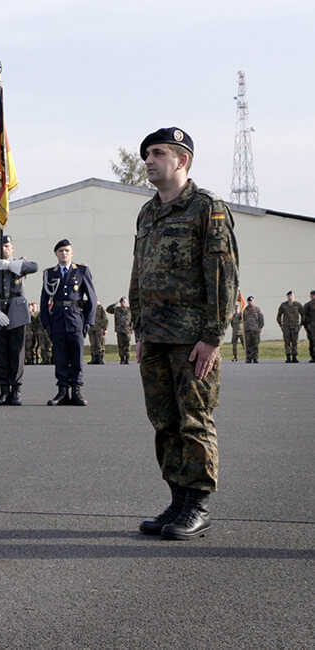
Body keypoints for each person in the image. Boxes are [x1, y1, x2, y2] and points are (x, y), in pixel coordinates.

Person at [131, 127, 238, 541]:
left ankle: (197, 505)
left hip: (193, 339)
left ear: (182, 160)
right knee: (164, 421)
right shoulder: (147, 213)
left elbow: (222, 275)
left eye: (158, 153)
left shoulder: (207, 208)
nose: (149, 160)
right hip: (155, 336)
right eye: (146, 155)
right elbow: (139, 273)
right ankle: (177, 499)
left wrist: (213, 336)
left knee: (195, 420)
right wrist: (140, 329)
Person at [0, 234, 39, 405]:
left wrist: (10, 265)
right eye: (0, 247)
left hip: (17, 312)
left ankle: (16, 390)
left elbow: (35, 267)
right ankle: (3, 390)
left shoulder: (20, 264)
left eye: (7, 246)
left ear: (12, 248)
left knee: (17, 353)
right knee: (1, 353)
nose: (4, 249)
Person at [40, 239, 96, 406]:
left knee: (77, 356)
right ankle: (62, 390)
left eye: (66, 250)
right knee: (60, 357)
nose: (64, 253)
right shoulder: (50, 273)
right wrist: (46, 324)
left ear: (72, 253)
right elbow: (44, 301)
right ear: (55, 254)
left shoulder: (82, 271)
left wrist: (88, 323)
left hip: (76, 319)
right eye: (60, 251)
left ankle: (76, 390)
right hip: (57, 320)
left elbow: (92, 299)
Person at [277, 291, 303, 363]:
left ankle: (294, 357)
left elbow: (303, 315)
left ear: (294, 296)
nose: (290, 297)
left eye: (291, 295)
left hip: (295, 327)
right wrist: (281, 325)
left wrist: (301, 324)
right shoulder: (283, 305)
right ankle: (288, 357)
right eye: (289, 296)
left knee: (294, 342)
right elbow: (279, 315)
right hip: (286, 327)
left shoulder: (298, 305)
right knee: (287, 342)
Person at [106, 298, 133, 364]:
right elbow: (108, 309)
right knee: (120, 344)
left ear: (126, 302)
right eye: (121, 302)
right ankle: (122, 358)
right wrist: (115, 303)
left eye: (124, 302)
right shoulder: (116, 309)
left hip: (127, 329)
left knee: (127, 344)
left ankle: (127, 358)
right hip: (119, 329)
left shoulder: (130, 310)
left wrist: (133, 328)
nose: (122, 303)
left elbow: (133, 319)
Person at [242, 296, 264, 363]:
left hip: (255, 330)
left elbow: (261, 319)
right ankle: (248, 358)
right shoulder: (245, 310)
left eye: (251, 301)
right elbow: (242, 319)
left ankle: (255, 358)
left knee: (255, 345)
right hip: (247, 330)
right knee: (248, 345)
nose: (250, 302)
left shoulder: (257, 309)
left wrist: (260, 327)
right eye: (249, 301)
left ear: (253, 301)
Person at [304, 290, 315, 362]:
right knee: (312, 341)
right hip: (311, 326)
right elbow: (305, 316)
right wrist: (306, 326)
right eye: (312, 294)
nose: (313, 296)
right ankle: (313, 357)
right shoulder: (308, 305)